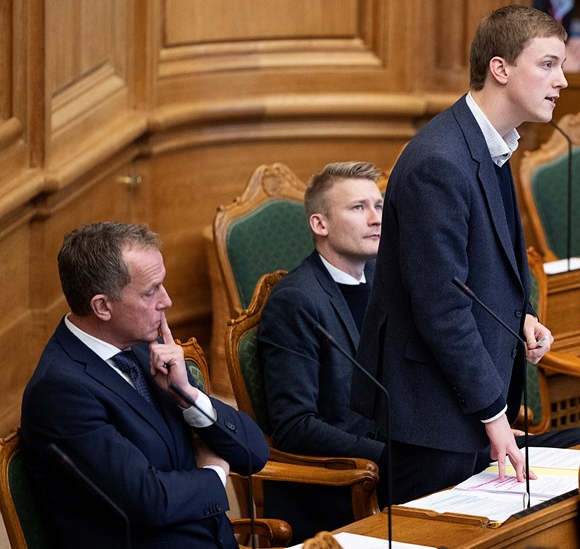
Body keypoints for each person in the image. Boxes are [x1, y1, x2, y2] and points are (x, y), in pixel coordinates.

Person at [352, 5, 563, 505]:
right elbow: (441, 306)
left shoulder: (491, 143)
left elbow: (489, 262)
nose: (562, 81)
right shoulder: (438, 162)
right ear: (501, 68)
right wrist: (494, 414)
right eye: (549, 64)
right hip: (433, 413)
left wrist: (524, 313)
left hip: (465, 400)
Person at [21, 222, 269, 548]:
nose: (166, 300)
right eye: (151, 291)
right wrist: (215, 472)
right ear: (102, 306)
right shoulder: (59, 391)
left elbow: (254, 452)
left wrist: (189, 397)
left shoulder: (142, 349)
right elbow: (151, 500)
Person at [257, 161, 385, 540]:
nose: (376, 218)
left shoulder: (381, 278)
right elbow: (295, 425)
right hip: (339, 483)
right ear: (320, 225)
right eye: (359, 207)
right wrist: (388, 454)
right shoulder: (296, 301)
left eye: (378, 206)